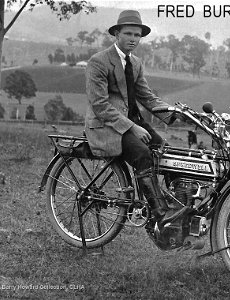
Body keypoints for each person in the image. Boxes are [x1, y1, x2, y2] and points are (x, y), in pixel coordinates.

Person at [84, 10, 181, 225]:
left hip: (131, 122)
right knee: (142, 154)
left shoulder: (135, 63)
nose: (133, 39)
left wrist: (175, 113)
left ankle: (178, 206)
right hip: (106, 126)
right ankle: (160, 214)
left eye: (137, 35)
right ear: (117, 34)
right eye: (128, 34)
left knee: (167, 152)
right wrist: (131, 128)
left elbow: (146, 96)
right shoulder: (98, 62)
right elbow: (99, 104)